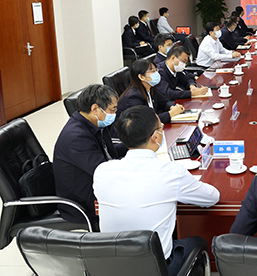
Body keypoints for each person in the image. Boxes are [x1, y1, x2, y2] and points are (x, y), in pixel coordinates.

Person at [94, 105, 220, 276]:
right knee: (197, 241)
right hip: (156, 268)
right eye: (161, 128)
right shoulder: (171, 172)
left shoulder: (102, 171)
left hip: (112, 267)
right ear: (155, 136)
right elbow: (212, 197)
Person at [53, 84, 124, 228]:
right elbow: (104, 172)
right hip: (84, 203)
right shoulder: (76, 137)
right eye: (112, 110)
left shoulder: (93, 124)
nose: (114, 114)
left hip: (96, 187)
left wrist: (137, 145)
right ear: (95, 108)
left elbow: (108, 153)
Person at [116, 59, 184, 124]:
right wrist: (170, 114)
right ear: (141, 77)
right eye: (152, 71)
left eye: (156, 70)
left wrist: (172, 107)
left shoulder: (151, 88)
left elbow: (165, 102)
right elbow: (146, 121)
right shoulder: (133, 97)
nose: (156, 73)